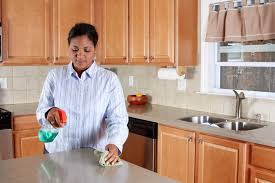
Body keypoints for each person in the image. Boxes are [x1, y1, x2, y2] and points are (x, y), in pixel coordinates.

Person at [36, 23, 129, 165]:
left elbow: (118, 120)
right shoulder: (55, 76)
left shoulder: (109, 80)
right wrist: (49, 112)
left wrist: (115, 144)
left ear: (95, 50)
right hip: (57, 156)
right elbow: (41, 110)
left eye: (86, 50)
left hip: (92, 159)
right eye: (75, 49)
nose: (80, 55)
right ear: (68, 48)